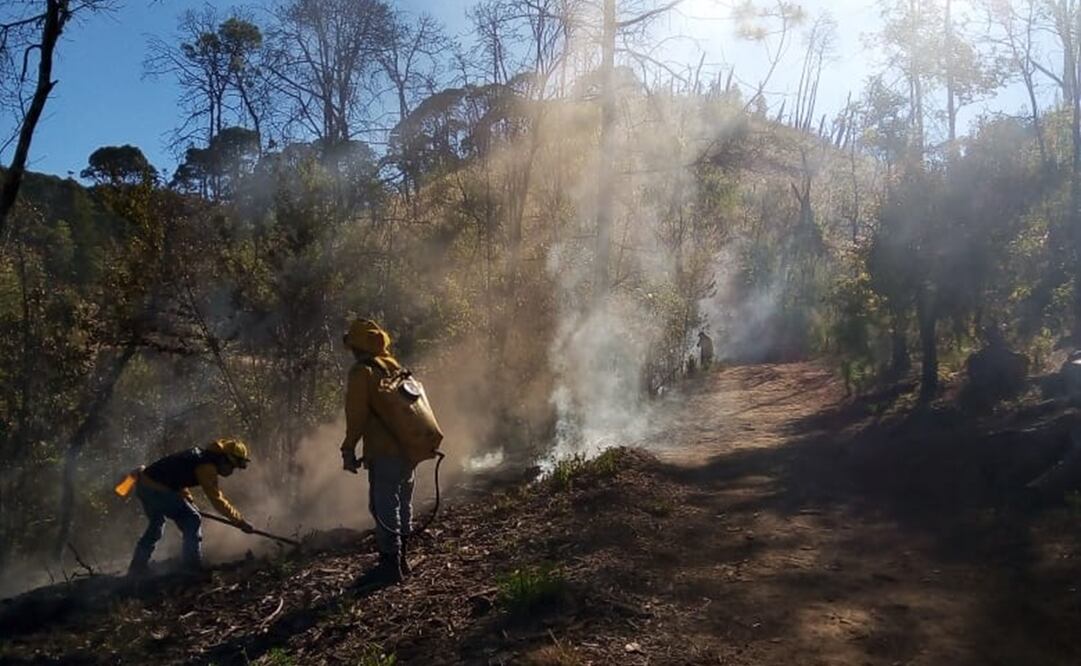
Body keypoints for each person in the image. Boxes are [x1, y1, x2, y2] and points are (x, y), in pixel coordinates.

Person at [340, 318, 414, 585]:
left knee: (383, 505)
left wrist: (348, 447)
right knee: (403, 502)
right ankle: (403, 558)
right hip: (409, 446)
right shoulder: (393, 366)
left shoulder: (363, 372)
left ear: (357, 344)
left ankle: (390, 564)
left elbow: (356, 415)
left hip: (384, 449)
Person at [128, 438, 254, 575]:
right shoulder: (207, 467)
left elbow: (176, 477)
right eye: (232, 467)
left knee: (156, 526)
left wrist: (189, 501)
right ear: (225, 459)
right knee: (192, 519)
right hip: (158, 490)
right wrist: (240, 521)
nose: (231, 471)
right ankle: (191, 567)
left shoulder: (198, 456)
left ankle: (137, 567)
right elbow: (217, 500)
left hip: (144, 486)